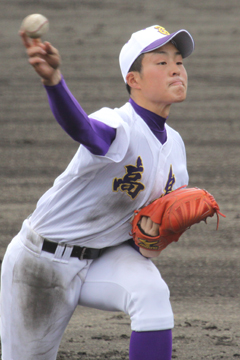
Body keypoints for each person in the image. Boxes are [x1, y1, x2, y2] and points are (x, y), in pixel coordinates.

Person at [0, 24, 194, 360]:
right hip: (39, 264)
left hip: (101, 259)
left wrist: (153, 238)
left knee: (151, 294)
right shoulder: (118, 124)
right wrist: (54, 82)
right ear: (133, 80)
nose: (176, 68)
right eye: (161, 62)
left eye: (179, 61)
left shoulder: (175, 147)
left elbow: (145, 237)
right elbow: (84, 129)